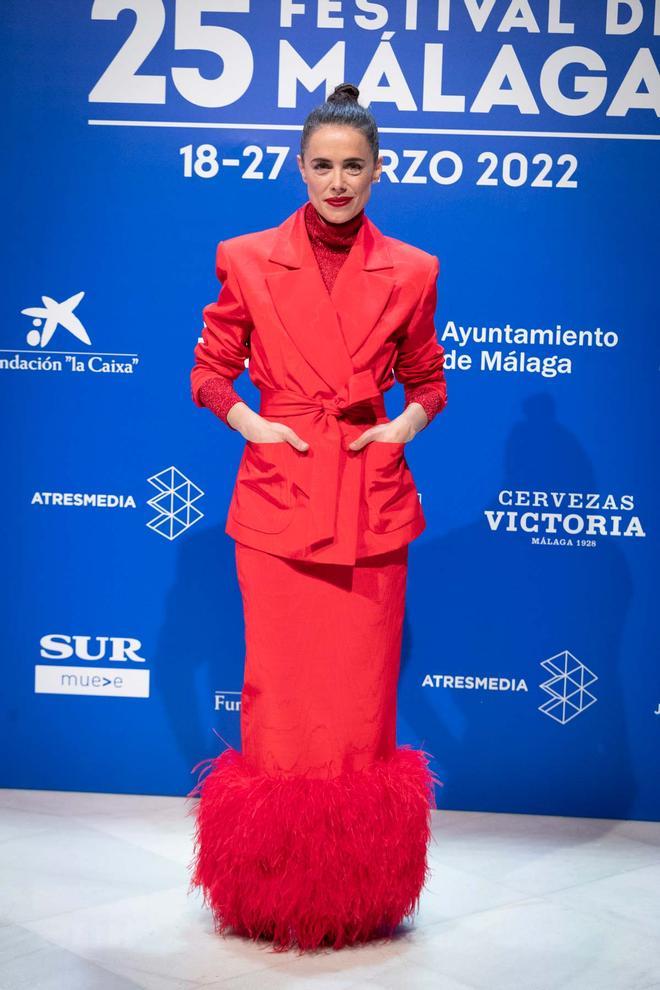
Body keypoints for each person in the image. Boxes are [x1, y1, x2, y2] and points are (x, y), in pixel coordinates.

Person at [187, 82, 448, 953]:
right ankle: (267, 893)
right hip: (282, 492)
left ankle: (356, 895)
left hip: (369, 501)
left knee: (359, 705)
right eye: (323, 165)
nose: (338, 182)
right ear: (299, 167)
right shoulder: (247, 256)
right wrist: (257, 424)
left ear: (379, 172)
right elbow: (211, 371)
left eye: (354, 167)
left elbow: (430, 381)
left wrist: (398, 428)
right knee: (280, 698)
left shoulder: (413, 270)